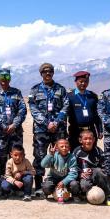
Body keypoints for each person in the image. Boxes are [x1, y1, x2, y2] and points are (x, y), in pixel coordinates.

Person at [28, 63, 69, 194]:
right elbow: (33, 108)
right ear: (41, 74)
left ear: (53, 73)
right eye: (45, 71)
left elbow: (66, 106)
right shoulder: (35, 90)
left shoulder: (61, 89)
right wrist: (47, 123)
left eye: (50, 71)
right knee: (39, 156)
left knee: (61, 155)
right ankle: (39, 186)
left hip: (58, 129)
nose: (47, 73)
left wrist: (56, 122)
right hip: (41, 130)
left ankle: (60, 184)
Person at [0, 68, 27, 162]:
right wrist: (2, 125)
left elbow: (22, 109)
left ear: (10, 78)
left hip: (15, 133)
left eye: (7, 76)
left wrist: (14, 124)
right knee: (0, 160)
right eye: (2, 76)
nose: (4, 79)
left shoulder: (16, 92)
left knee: (17, 159)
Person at [72, 130, 110, 206]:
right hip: (83, 175)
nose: (88, 141)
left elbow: (104, 166)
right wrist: (80, 174)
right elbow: (72, 167)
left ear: (94, 140)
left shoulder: (98, 151)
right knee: (85, 186)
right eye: (85, 139)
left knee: (99, 171)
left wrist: (98, 171)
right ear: (80, 140)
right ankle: (82, 194)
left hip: (95, 174)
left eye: (90, 139)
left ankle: (107, 196)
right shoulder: (76, 151)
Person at [66, 71, 103, 151]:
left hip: (90, 131)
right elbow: (64, 115)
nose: (83, 83)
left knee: (92, 154)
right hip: (75, 131)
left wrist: (100, 130)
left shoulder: (92, 96)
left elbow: (97, 115)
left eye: (86, 81)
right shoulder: (70, 96)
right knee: (75, 154)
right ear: (76, 82)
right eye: (81, 81)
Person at [40, 138, 79, 202]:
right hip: (53, 179)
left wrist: (64, 182)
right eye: (62, 146)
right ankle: (49, 192)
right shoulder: (53, 156)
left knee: (74, 184)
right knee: (46, 186)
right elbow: (43, 165)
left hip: (66, 179)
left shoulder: (72, 157)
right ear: (57, 148)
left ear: (69, 148)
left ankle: (75, 195)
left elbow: (73, 173)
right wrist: (50, 155)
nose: (64, 148)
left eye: (66, 146)